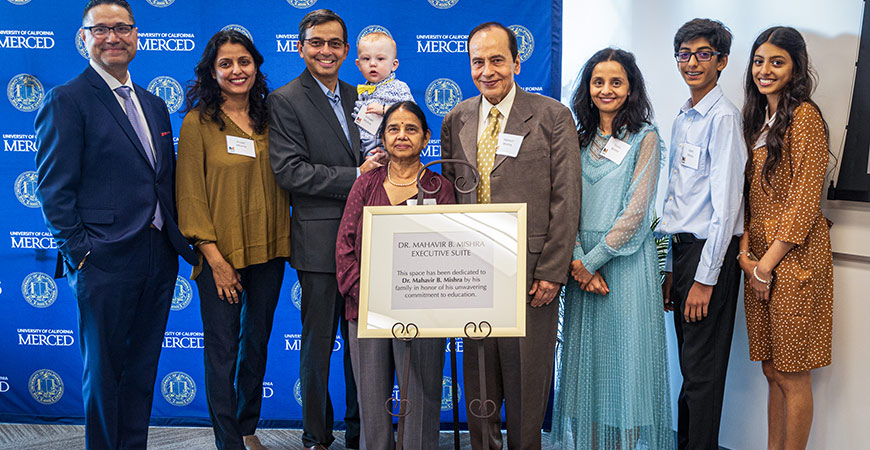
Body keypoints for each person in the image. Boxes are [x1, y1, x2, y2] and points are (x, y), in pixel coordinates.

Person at [33, 1, 197, 448]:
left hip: (158, 258)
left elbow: (161, 180)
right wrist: (81, 252)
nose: (112, 37)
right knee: (105, 378)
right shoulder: (67, 99)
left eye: (122, 28)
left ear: (137, 35)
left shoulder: (154, 104)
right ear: (82, 38)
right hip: (102, 260)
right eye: (100, 29)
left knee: (141, 373)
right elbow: (53, 188)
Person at [440, 22, 581, 450]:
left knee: (526, 383)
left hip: (531, 274)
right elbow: (448, 198)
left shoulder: (553, 116)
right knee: (480, 385)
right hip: (473, 274)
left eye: (497, 60)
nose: (487, 70)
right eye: (478, 61)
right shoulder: (456, 118)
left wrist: (553, 271)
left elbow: (566, 198)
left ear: (517, 62)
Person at [268, 9, 379, 449]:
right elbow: (290, 172)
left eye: (335, 43)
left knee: (362, 350)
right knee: (317, 349)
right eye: (317, 42)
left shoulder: (363, 95)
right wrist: (356, 174)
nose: (326, 51)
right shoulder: (285, 99)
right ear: (301, 47)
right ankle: (316, 434)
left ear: (347, 51)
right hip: (318, 245)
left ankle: (360, 432)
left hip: (371, 242)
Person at [552, 48, 673, 450]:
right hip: (581, 266)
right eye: (598, 81)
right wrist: (576, 258)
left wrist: (591, 261)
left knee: (626, 377)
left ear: (631, 87)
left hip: (623, 269)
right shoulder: (576, 137)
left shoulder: (645, 136)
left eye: (616, 82)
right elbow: (563, 201)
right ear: (587, 88)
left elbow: (637, 211)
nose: (606, 90)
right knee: (587, 374)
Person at [176, 29, 290, 450]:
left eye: (244, 61)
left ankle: (246, 428)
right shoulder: (197, 122)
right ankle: (228, 441)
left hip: (270, 249)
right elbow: (188, 195)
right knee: (223, 351)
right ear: (212, 71)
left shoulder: (272, 116)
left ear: (256, 65)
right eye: (225, 63)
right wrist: (214, 257)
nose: (236, 70)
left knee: (255, 343)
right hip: (220, 254)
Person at [336, 101, 454, 450]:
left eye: (411, 128)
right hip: (367, 309)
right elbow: (345, 244)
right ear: (383, 137)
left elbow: (451, 252)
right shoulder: (366, 184)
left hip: (423, 313)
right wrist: (363, 293)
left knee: (420, 400)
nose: (402, 136)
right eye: (393, 129)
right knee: (372, 403)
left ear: (426, 137)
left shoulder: (440, 187)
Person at [738, 26, 833, 450]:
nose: (764, 70)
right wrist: (746, 253)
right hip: (758, 263)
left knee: (793, 374)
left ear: (795, 68)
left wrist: (764, 265)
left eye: (777, 62)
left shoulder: (805, 118)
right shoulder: (760, 120)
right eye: (759, 61)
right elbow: (750, 197)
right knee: (772, 371)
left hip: (791, 265)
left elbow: (803, 204)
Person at [656, 18, 747, 449]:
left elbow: (727, 209)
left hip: (711, 257)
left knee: (703, 375)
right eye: (685, 54)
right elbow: (681, 202)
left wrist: (705, 280)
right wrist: (675, 268)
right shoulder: (684, 116)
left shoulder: (723, 119)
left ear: (722, 61)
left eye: (703, 54)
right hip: (685, 253)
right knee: (691, 371)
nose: (692, 62)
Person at [353, 31, 414, 156]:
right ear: (358, 64)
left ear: (394, 65)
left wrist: (385, 109)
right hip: (363, 150)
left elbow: (412, 114)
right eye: (366, 59)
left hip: (388, 148)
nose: (373, 64)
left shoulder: (399, 87)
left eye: (380, 59)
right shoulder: (362, 91)